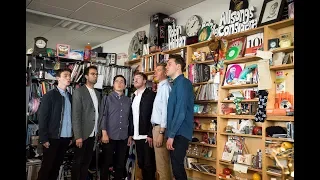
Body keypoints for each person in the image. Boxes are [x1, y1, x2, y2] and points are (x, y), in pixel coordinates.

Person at [37, 68, 73, 180]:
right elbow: (42, 117)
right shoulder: (50, 95)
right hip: (52, 137)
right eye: (65, 75)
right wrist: (44, 138)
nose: (68, 78)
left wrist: (71, 135)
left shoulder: (70, 97)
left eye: (69, 76)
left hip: (66, 138)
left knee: (56, 167)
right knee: (47, 167)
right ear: (58, 78)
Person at [165, 55, 194, 180]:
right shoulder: (175, 84)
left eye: (169, 64)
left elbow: (180, 112)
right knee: (176, 168)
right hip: (176, 132)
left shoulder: (183, 83)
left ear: (178, 66)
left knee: (177, 167)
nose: (166, 67)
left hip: (179, 133)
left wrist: (171, 135)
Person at [100, 75, 133, 180]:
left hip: (123, 136)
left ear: (125, 85)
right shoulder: (107, 98)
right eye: (117, 81)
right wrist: (104, 133)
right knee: (106, 162)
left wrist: (130, 136)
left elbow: (130, 118)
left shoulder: (128, 100)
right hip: (109, 135)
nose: (119, 83)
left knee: (120, 163)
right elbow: (103, 116)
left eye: (122, 81)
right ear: (113, 84)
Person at [71, 66, 102, 180]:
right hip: (82, 134)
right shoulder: (79, 92)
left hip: (93, 134)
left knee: (86, 162)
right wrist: (78, 136)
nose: (95, 76)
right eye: (93, 74)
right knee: (77, 162)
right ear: (86, 76)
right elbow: (76, 115)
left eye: (96, 74)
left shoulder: (98, 93)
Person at [129, 72, 156, 180]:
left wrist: (150, 134)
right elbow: (132, 116)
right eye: (134, 78)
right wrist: (131, 134)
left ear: (144, 81)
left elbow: (154, 115)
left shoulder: (151, 95)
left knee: (149, 164)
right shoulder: (134, 96)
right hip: (137, 135)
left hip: (146, 136)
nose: (135, 80)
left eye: (138, 78)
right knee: (141, 164)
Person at [150, 63, 172, 180]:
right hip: (156, 128)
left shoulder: (165, 88)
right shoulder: (160, 87)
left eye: (158, 70)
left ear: (164, 72)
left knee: (162, 164)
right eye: (155, 70)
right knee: (160, 164)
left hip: (160, 128)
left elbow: (166, 111)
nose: (155, 73)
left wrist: (161, 132)